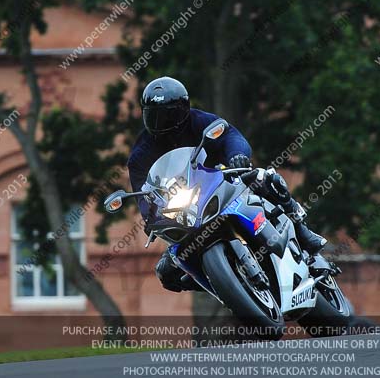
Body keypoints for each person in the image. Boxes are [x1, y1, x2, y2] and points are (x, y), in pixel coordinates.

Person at [127, 76, 327, 292]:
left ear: (183, 109)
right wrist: (149, 215)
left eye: (168, 114)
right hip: (185, 213)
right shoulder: (140, 154)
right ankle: (224, 286)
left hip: (222, 181)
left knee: (265, 178)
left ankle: (301, 228)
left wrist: (237, 155)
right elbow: (142, 193)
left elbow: (231, 135)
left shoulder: (199, 120)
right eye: (153, 115)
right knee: (166, 273)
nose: (161, 123)